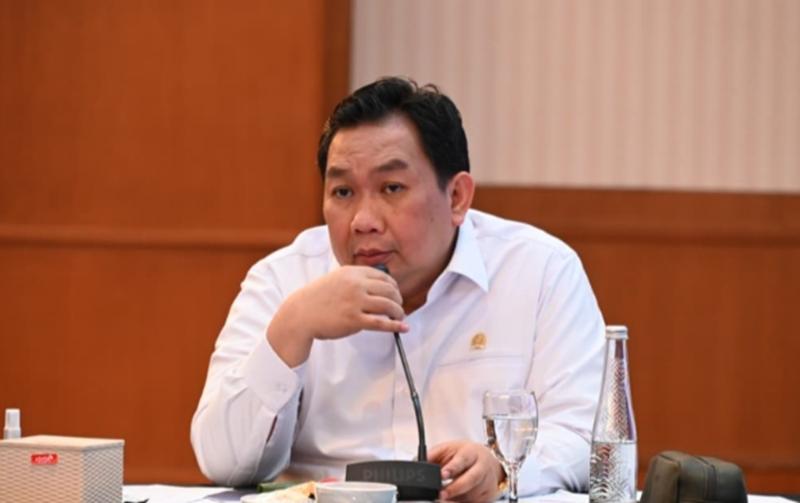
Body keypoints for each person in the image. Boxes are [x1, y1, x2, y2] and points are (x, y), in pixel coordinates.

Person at [191, 77, 605, 503]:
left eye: (392, 188)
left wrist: (502, 468)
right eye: (343, 192)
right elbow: (223, 464)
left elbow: (586, 438)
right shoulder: (282, 280)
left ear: (457, 197)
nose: (363, 221)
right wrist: (292, 330)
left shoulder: (540, 271)